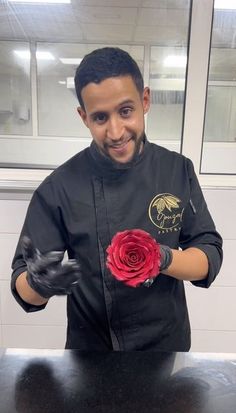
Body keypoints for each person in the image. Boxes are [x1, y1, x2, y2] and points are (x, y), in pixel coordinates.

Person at [11, 47, 223, 351]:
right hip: (91, 357)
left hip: (166, 352)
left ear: (145, 101)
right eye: (100, 117)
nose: (115, 131)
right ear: (84, 117)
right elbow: (22, 287)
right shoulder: (58, 188)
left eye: (126, 111)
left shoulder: (177, 170)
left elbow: (209, 255)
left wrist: (162, 258)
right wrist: (38, 284)